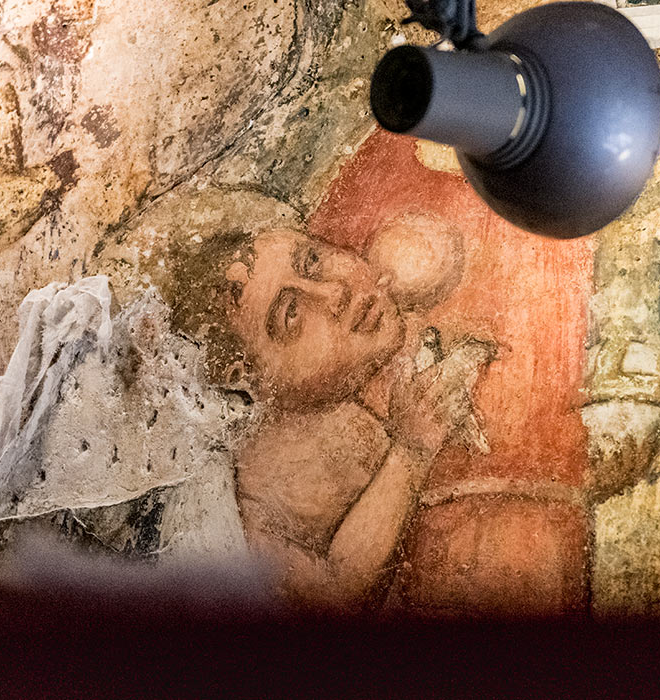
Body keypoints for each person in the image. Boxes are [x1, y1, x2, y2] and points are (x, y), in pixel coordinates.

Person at [169, 224, 496, 609]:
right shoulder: (252, 504)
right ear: (246, 378)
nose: (335, 293)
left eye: (312, 261)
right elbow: (333, 594)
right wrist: (411, 452)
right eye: (291, 314)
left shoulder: (333, 400)